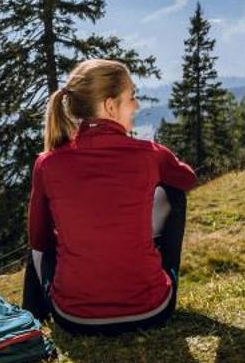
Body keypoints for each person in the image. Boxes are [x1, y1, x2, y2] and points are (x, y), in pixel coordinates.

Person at [23, 57, 197, 335]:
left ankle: (31, 323)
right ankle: (152, 278)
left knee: (36, 247)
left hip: (73, 318)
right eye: (132, 97)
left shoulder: (47, 163)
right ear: (110, 106)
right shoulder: (150, 154)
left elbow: (39, 240)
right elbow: (187, 179)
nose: (137, 105)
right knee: (174, 193)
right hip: (152, 311)